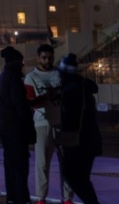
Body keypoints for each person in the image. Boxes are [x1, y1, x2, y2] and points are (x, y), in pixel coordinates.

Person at [24, 44, 72, 204]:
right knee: (42, 163)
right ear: (38, 58)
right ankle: (41, 197)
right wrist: (47, 96)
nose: (47, 60)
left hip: (61, 122)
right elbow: (30, 102)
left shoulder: (60, 74)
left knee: (66, 163)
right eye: (44, 57)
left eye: (50, 58)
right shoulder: (31, 77)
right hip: (42, 123)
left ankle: (67, 197)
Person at [56, 53, 102, 204]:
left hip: (77, 142)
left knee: (71, 174)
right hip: (90, 141)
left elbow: (68, 118)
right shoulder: (83, 87)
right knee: (82, 178)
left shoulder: (70, 91)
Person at [0, 46, 33, 204]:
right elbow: (20, 106)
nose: (22, 65)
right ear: (16, 62)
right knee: (20, 166)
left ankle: (12, 197)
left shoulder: (2, 77)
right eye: (21, 62)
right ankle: (22, 198)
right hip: (16, 129)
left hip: (5, 128)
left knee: (10, 165)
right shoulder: (14, 78)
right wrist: (29, 127)